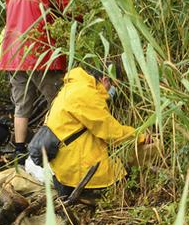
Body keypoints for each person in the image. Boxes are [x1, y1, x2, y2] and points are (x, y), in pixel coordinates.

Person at [0, 0, 70, 158]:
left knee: (21, 104)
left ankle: (19, 152)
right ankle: (52, 149)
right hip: (40, 53)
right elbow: (68, 9)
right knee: (57, 100)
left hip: (12, 53)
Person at [41, 63, 147, 201]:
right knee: (127, 184)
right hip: (77, 169)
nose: (113, 90)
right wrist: (140, 136)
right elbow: (110, 132)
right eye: (113, 85)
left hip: (64, 168)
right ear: (105, 80)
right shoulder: (85, 93)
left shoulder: (72, 87)